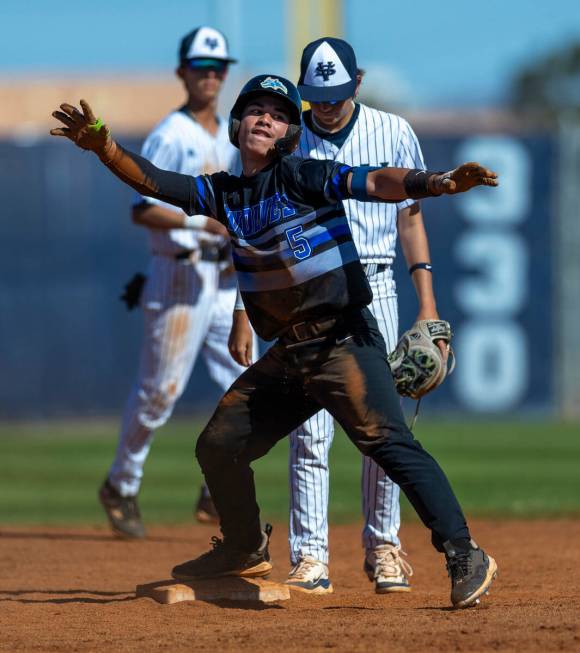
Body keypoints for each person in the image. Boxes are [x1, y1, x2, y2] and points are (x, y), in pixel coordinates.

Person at [50, 74, 499, 608]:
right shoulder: (224, 193)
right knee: (218, 444)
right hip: (292, 355)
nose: (265, 117)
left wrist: (439, 181)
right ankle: (243, 547)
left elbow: (376, 182)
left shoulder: (304, 175)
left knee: (388, 444)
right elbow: (153, 181)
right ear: (238, 125)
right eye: (256, 109)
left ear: (289, 133)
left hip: (343, 341)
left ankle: (465, 553)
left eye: (279, 113)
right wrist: (104, 147)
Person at [228, 38, 440, 594]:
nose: (325, 106)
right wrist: (241, 311)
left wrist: (429, 307)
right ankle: (312, 557)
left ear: (358, 84)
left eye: (337, 94)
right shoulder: (284, 137)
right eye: (316, 95)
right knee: (310, 434)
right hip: (301, 293)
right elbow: (251, 228)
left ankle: (385, 547)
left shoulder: (392, 130)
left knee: (380, 432)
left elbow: (410, 219)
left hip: (377, 284)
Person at [97, 26, 255, 538]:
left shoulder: (228, 137)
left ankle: (217, 488)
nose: (210, 75)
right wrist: (198, 223)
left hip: (222, 277)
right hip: (180, 273)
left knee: (246, 381)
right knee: (159, 393)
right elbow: (142, 210)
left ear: (225, 73)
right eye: (201, 66)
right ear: (182, 72)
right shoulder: (172, 133)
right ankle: (121, 483)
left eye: (217, 67)